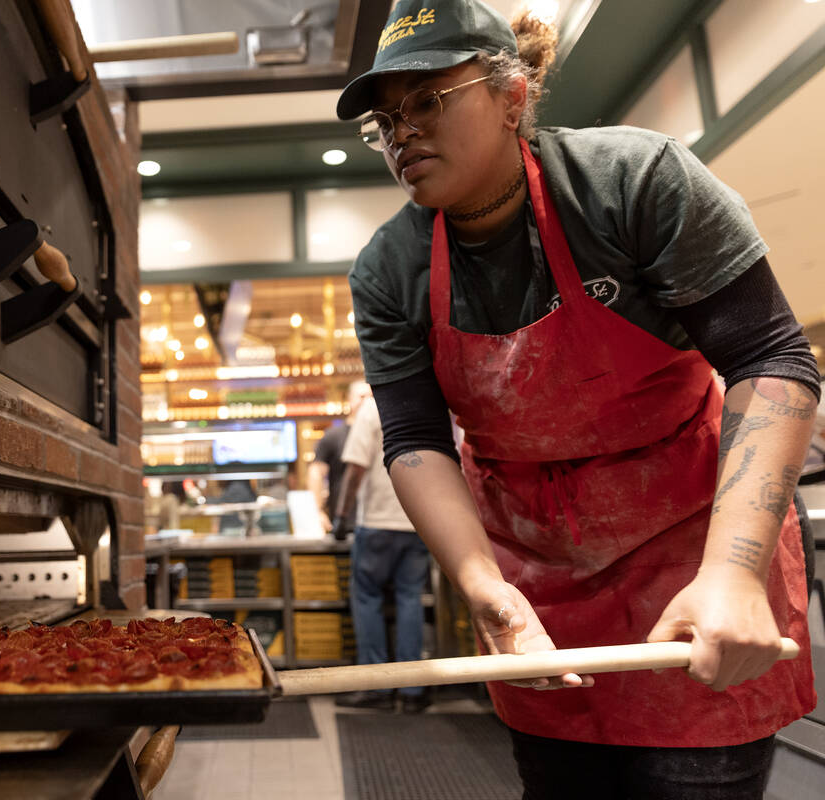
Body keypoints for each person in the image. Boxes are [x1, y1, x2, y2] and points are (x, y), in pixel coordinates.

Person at [338, 1, 820, 796]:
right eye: (386, 122)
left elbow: (770, 357)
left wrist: (735, 569)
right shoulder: (390, 270)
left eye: (427, 100)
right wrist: (485, 587)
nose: (402, 134)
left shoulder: (629, 184)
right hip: (540, 582)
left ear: (511, 95)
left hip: (694, 545)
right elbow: (417, 440)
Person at [333, 390, 433, 712]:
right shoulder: (424, 403)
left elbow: (355, 469)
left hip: (376, 523)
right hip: (418, 521)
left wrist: (341, 516)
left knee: (367, 599)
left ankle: (376, 687)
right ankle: (411, 690)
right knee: (409, 599)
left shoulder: (372, 409)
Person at [308, 381, 371, 536]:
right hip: (344, 524)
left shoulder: (382, 434)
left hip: (376, 522)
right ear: (349, 400)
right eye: (362, 396)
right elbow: (315, 472)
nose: (367, 402)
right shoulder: (333, 436)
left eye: (371, 397)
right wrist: (318, 512)